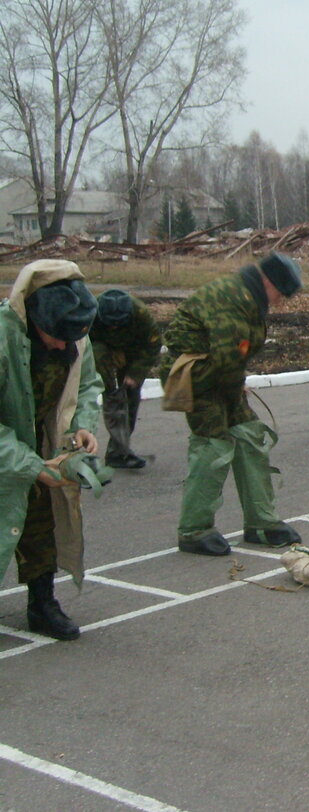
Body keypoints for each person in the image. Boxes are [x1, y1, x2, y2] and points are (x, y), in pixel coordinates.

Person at [159, 252, 304, 556]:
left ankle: (261, 522)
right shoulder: (233, 297)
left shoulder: (249, 296)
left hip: (220, 375)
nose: (279, 302)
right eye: (280, 293)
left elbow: (232, 358)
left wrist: (237, 384)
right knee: (212, 446)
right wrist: (236, 383)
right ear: (268, 281)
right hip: (197, 375)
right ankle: (194, 530)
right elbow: (226, 355)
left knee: (250, 435)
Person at [0, 261, 102, 640]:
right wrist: (27, 464)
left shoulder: (73, 334)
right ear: (32, 315)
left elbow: (89, 384)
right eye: (55, 336)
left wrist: (83, 425)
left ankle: (42, 605)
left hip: (38, 451)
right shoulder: (2, 339)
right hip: (8, 449)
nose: (63, 346)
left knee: (41, 525)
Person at [90, 288, 161, 469]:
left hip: (133, 352)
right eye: (110, 323)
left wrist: (135, 374)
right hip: (100, 351)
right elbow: (80, 341)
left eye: (118, 324)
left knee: (130, 397)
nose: (114, 327)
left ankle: (118, 452)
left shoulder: (141, 314)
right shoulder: (90, 311)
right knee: (112, 398)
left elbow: (152, 346)